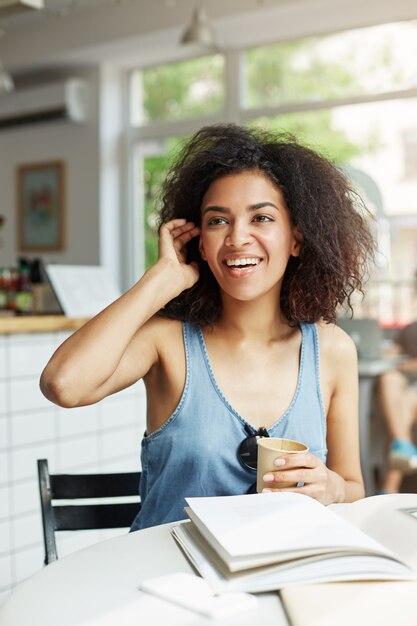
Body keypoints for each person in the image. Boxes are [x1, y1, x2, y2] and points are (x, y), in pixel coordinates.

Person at [40, 124, 375, 530]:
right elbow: (63, 385)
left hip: (278, 575)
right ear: (200, 242)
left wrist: (332, 488)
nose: (237, 238)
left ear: (297, 239)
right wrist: (158, 282)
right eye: (218, 221)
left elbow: (353, 485)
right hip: (170, 580)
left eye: (262, 218)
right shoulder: (165, 340)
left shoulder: (332, 349)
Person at [378, 313, 417, 494]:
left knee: (406, 403)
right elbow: (395, 351)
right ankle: (403, 443)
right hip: (406, 381)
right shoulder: (410, 329)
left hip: (412, 389)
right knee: (389, 378)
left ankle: (389, 488)